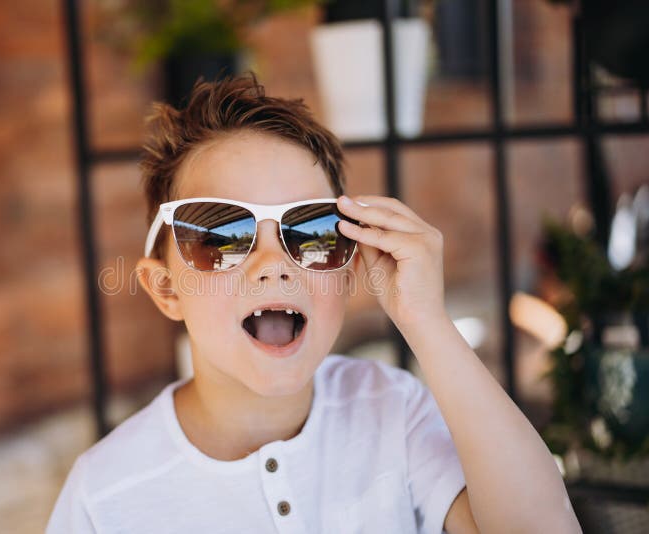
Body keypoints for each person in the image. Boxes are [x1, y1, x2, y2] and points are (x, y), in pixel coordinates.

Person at [46, 72, 581, 533]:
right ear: (166, 290)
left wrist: (428, 323)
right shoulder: (106, 495)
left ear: (348, 275)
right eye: (220, 236)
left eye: (312, 231)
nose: (273, 263)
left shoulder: (392, 410)